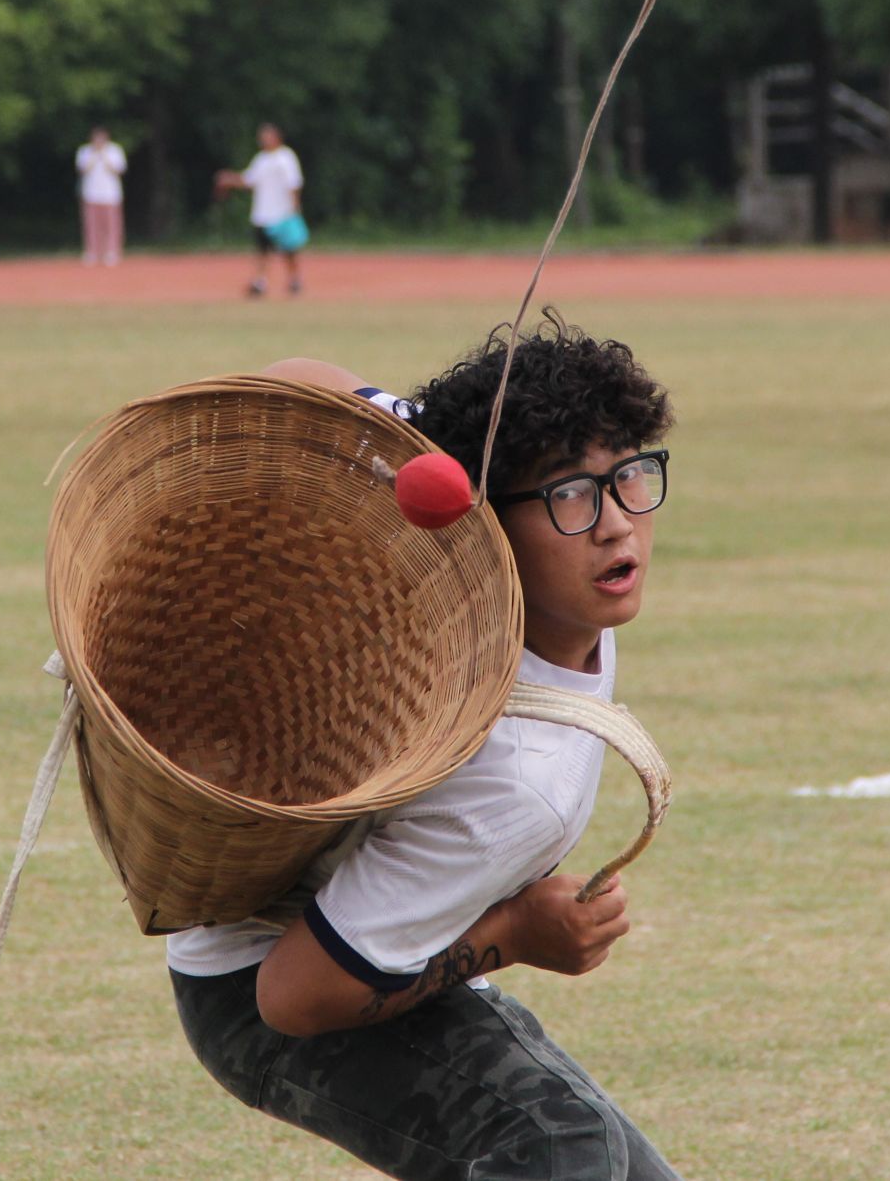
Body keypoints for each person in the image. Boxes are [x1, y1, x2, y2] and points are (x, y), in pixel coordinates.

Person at [168, 313, 682, 1180]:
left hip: (366, 946)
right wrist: (517, 929)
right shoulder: (523, 783)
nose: (615, 523)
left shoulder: (549, 591)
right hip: (265, 983)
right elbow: (292, 997)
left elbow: (304, 369)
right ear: (483, 521)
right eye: (568, 492)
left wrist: (405, 444)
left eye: (630, 474)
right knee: (561, 1151)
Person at [214, 123, 305, 298]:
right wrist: (229, 179)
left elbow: (294, 183)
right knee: (262, 250)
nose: (264, 139)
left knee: (289, 249)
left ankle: (294, 279)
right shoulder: (261, 159)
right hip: (263, 214)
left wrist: (294, 208)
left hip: (282, 213)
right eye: (262, 136)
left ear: (277, 137)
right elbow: (249, 180)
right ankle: (260, 283)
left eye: (267, 136)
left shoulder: (286, 157)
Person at [76, 127, 128, 266]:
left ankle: (112, 251)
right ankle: (92, 251)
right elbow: (83, 169)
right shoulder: (85, 151)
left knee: (112, 224)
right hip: (91, 194)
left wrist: (103, 155)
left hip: (111, 195)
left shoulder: (114, 150)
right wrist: (94, 155)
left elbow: (118, 169)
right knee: (92, 225)